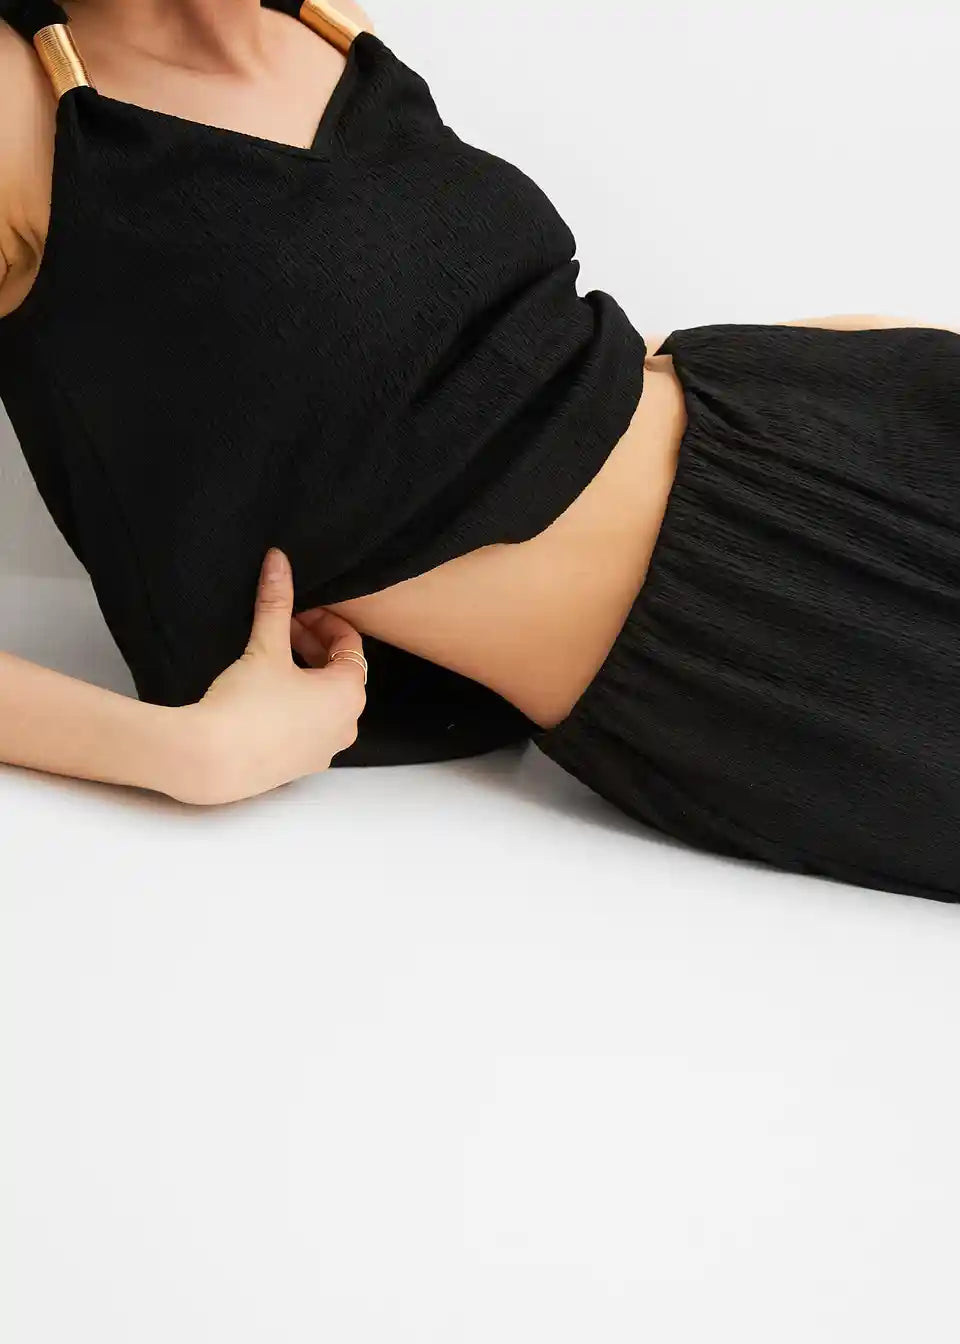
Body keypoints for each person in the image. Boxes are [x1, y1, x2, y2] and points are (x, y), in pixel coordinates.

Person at [1, 0, 958, 902]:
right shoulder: (22, 105)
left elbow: (480, 355)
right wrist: (186, 755)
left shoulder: (319, 24)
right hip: (773, 647)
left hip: (818, 423)